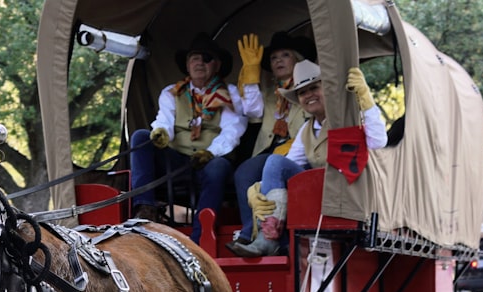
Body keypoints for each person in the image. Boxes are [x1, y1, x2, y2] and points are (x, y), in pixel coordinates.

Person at [231, 59, 388, 257]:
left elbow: (379, 143)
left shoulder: (349, 116)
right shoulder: (306, 129)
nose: (309, 95)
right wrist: (258, 189)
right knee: (275, 161)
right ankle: (268, 238)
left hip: (348, 195)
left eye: (314, 88)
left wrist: (366, 102)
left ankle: (274, 241)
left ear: (327, 90)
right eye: (303, 92)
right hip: (317, 197)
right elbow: (287, 165)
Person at [129, 32, 249, 242]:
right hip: (178, 162)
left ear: (218, 65)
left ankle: (200, 236)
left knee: (219, 167)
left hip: (210, 161)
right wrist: (161, 133)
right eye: (194, 58)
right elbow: (164, 120)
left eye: (206, 58)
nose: (199, 63)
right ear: (186, 64)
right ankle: (145, 209)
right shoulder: (172, 92)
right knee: (141, 137)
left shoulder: (228, 94)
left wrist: (209, 153)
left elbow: (233, 131)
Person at [227, 31, 316, 254]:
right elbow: (253, 111)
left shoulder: (309, 88)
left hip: (299, 152)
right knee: (244, 172)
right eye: (274, 57)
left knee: (274, 165)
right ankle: (250, 232)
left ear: (297, 60)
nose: (278, 60)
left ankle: (274, 236)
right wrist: (250, 74)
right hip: (270, 150)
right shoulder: (269, 91)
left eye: (285, 55)